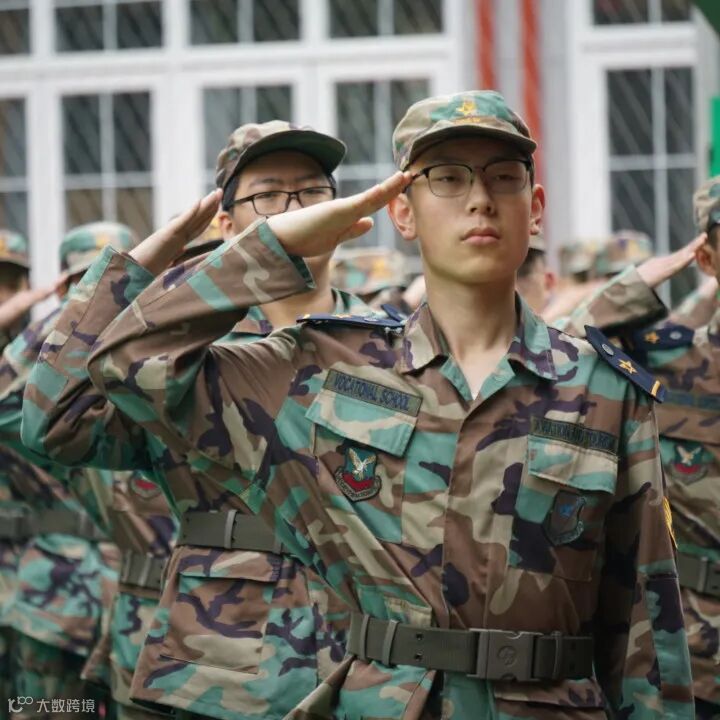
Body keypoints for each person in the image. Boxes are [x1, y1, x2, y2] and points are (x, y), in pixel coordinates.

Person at [78, 90, 691, 718]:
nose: (479, 199)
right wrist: (269, 249)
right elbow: (121, 365)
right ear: (402, 211)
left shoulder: (604, 389)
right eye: (447, 177)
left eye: (503, 177)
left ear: (534, 210)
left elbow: (646, 626)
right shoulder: (328, 368)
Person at [23, 121, 367, 720]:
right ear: (226, 224)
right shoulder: (175, 362)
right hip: (223, 668)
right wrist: (142, 266)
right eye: (268, 194)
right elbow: (52, 421)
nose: (293, 210)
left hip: (364, 668)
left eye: (311, 191)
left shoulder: (390, 347)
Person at [0, 224, 142, 717]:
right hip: (48, 604)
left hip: (139, 611)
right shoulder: (31, 371)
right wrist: (70, 317)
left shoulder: (154, 364)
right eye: (89, 285)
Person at [625, 178, 720, 720]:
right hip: (694, 654)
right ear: (706, 258)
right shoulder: (669, 364)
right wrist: (637, 284)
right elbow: (562, 347)